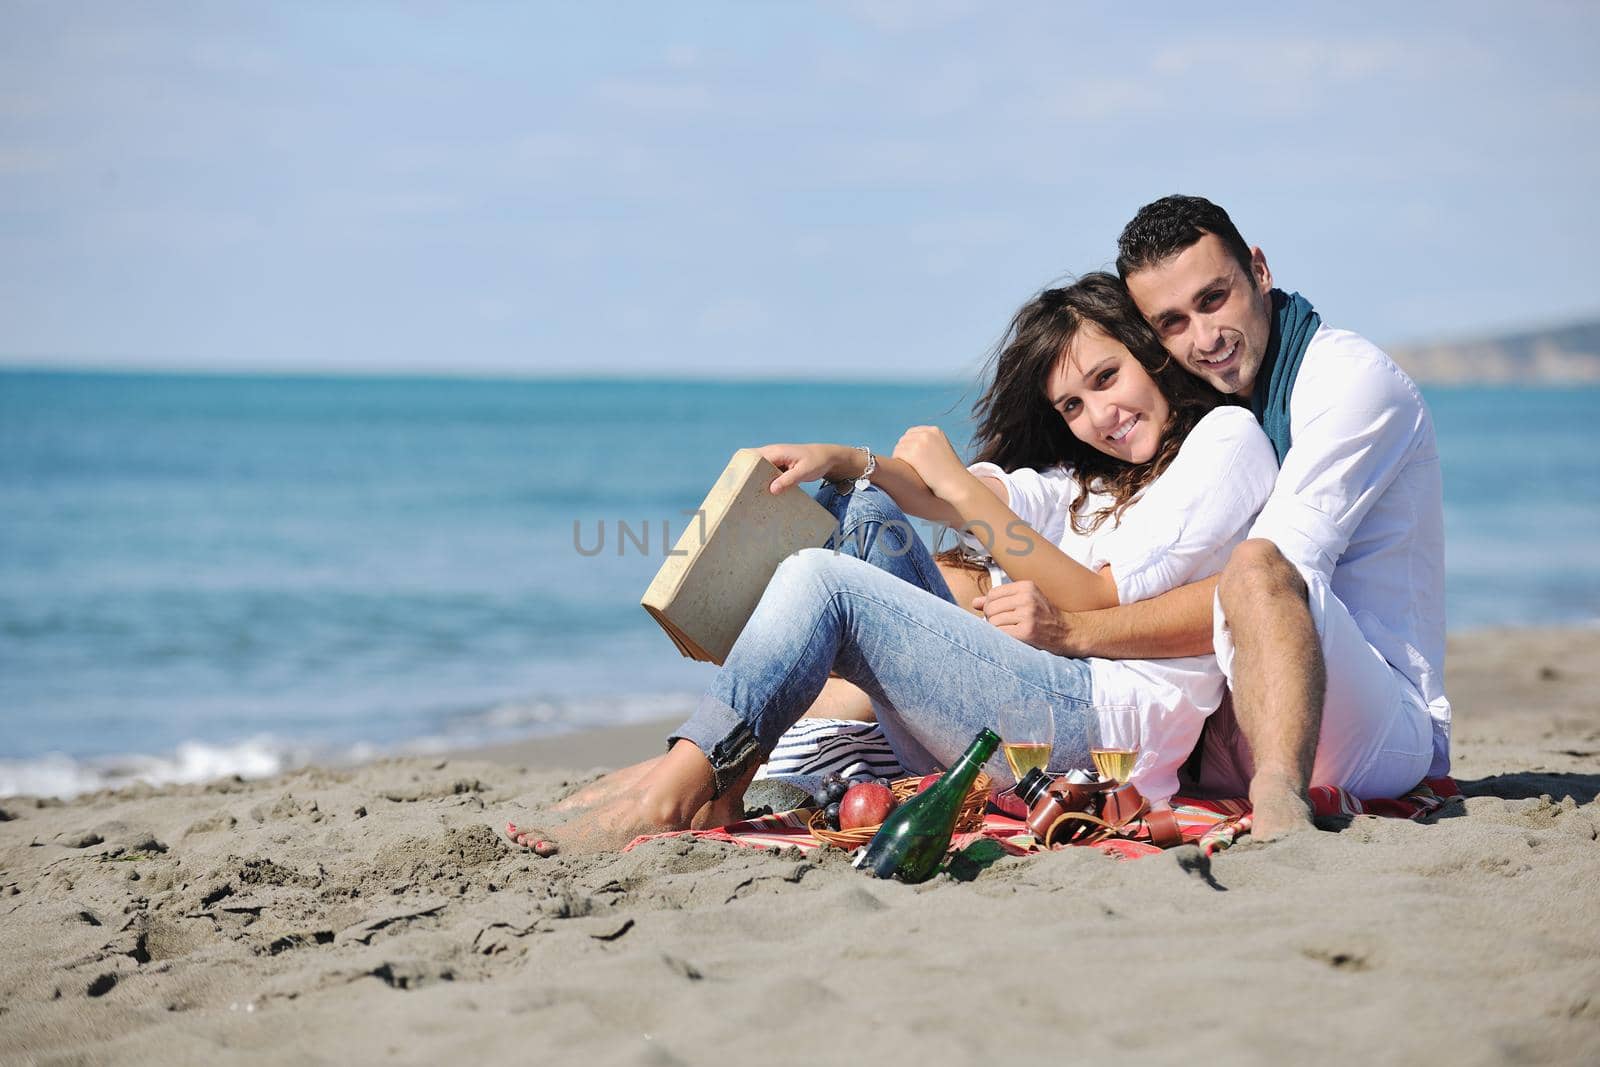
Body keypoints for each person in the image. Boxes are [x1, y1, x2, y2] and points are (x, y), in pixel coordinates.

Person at [507, 273, 1278, 855]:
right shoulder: (1087, 478)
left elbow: (1094, 598)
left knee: (825, 583)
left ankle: (687, 783)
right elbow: (947, 499)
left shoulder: (1224, 444)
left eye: (1106, 379)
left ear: (1148, 355)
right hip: (1029, 699)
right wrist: (853, 459)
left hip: (1098, 731)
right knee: (862, 510)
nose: (1099, 417)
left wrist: (957, 491)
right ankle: (716, 765)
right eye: (1072, 406)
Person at [1004, 195, 1449, 841]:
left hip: (1375, 729)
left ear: (1259, 271)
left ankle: (1278, 808)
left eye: (1214, 299)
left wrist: (1073, 628)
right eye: (1173, 322)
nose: (1203, 338)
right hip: (1233, 715)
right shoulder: (1215, 409)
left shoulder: (1349, 384)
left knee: (1259, 562)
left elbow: (1265, 584)